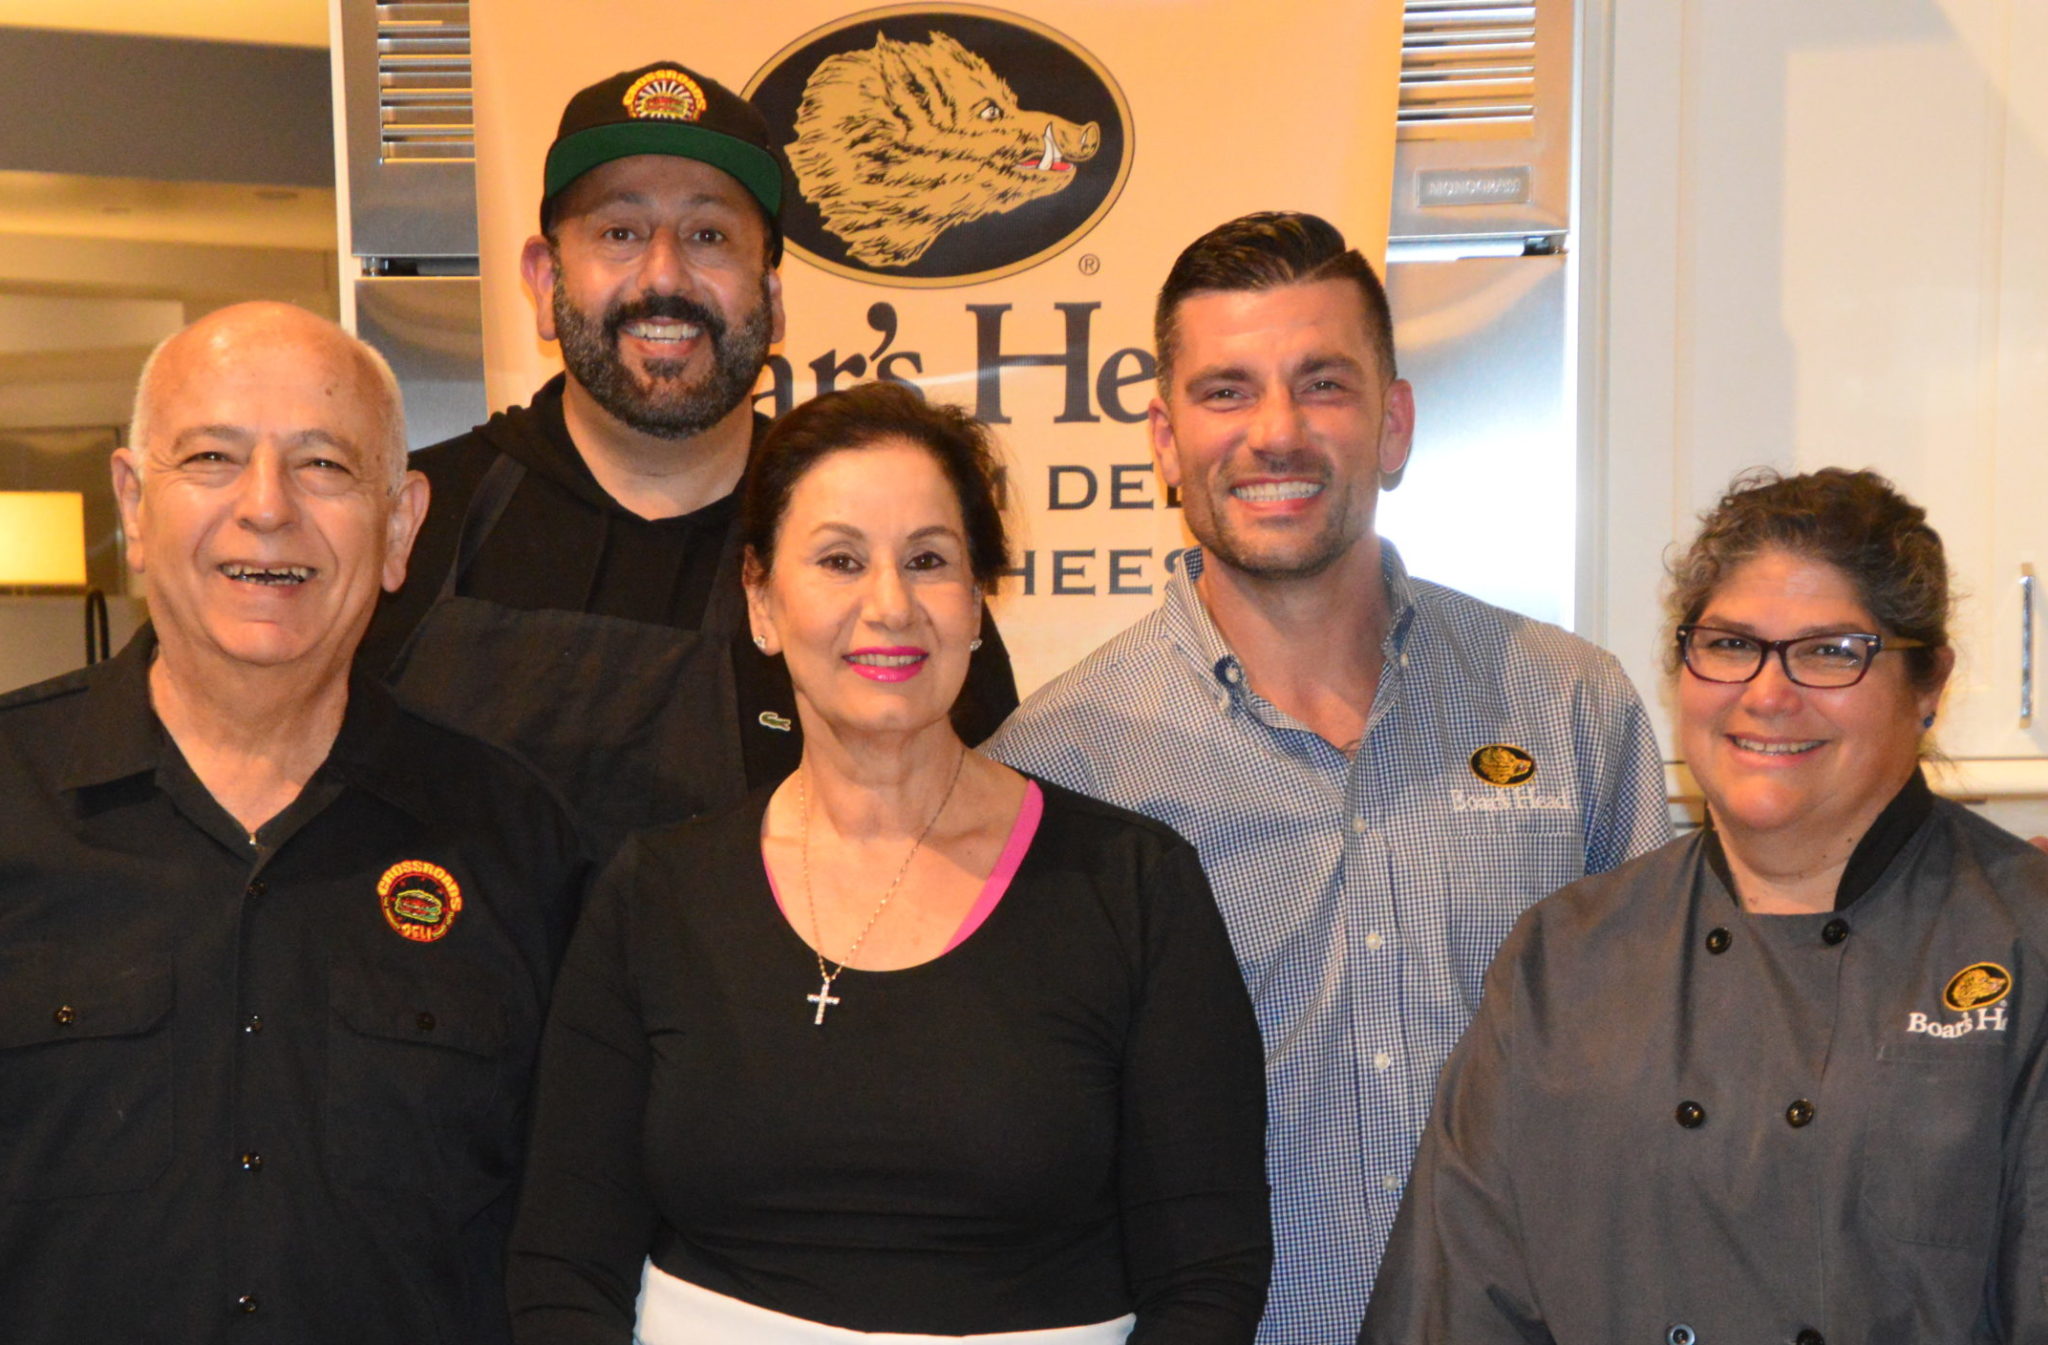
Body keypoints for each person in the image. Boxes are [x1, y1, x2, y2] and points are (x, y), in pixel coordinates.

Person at [985, 211, 1672, 1342]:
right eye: (1226, 392)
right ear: (1163, 439)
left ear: (1392, 424)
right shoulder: (1054, 773)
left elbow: (1662, 1080)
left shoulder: (1570, 709)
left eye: (1322, 385)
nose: (1275, 433)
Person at [508, 381, 1271, 1344]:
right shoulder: (654, 895)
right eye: (839, 560)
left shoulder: (1133, 886)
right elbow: (563, 1268)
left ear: (978, 602)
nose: (890, 604)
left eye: (928, 560)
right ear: (761, 600)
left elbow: (1208, 1275)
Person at [0, 303, 587, 1343]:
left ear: (399, 527)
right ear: (133, 504)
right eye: (212, 458)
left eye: (323, 466)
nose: (267, 508)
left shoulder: (516, 840)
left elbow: (570, 1245)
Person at [1360, 467, 2048, 1343]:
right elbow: (1453, 1307)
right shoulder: (1565, 958)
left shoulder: (2025, 937)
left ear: (1929, 684)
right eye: (1729, 644)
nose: (1768, 692)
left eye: (1830, 651)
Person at [356, 60, 1017, 855]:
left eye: (710, 236)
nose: (665, 274)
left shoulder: (881, 569)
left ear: (772, 300)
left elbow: (972, 856)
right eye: (620, 233)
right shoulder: (408, 525)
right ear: (544, 280)